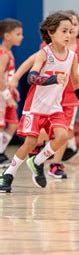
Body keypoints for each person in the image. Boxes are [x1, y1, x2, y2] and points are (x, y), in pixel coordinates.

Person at [0, 12, 79, 193]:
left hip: (54, 107)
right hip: (35, 106)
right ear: (51, 32)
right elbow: (32, 78)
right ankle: (8, 174)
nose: (68, 35)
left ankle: (38, 161)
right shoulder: (44, 54)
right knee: (30, 143)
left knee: (63, 136)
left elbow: (76, 82)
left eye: (70, 31)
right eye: (64, 31)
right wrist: (53, 78)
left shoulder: (72, 56)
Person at [0, 19, 23, 168]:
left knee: (13, 124)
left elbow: (8, 76)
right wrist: (6, 96)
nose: (22, 37)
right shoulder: (3, 54)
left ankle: (1, 152)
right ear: (7, 36)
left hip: (7, 93)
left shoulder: (10, 53)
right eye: (18, 34)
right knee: (1, 125)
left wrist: (13, 90)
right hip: (2, 95)